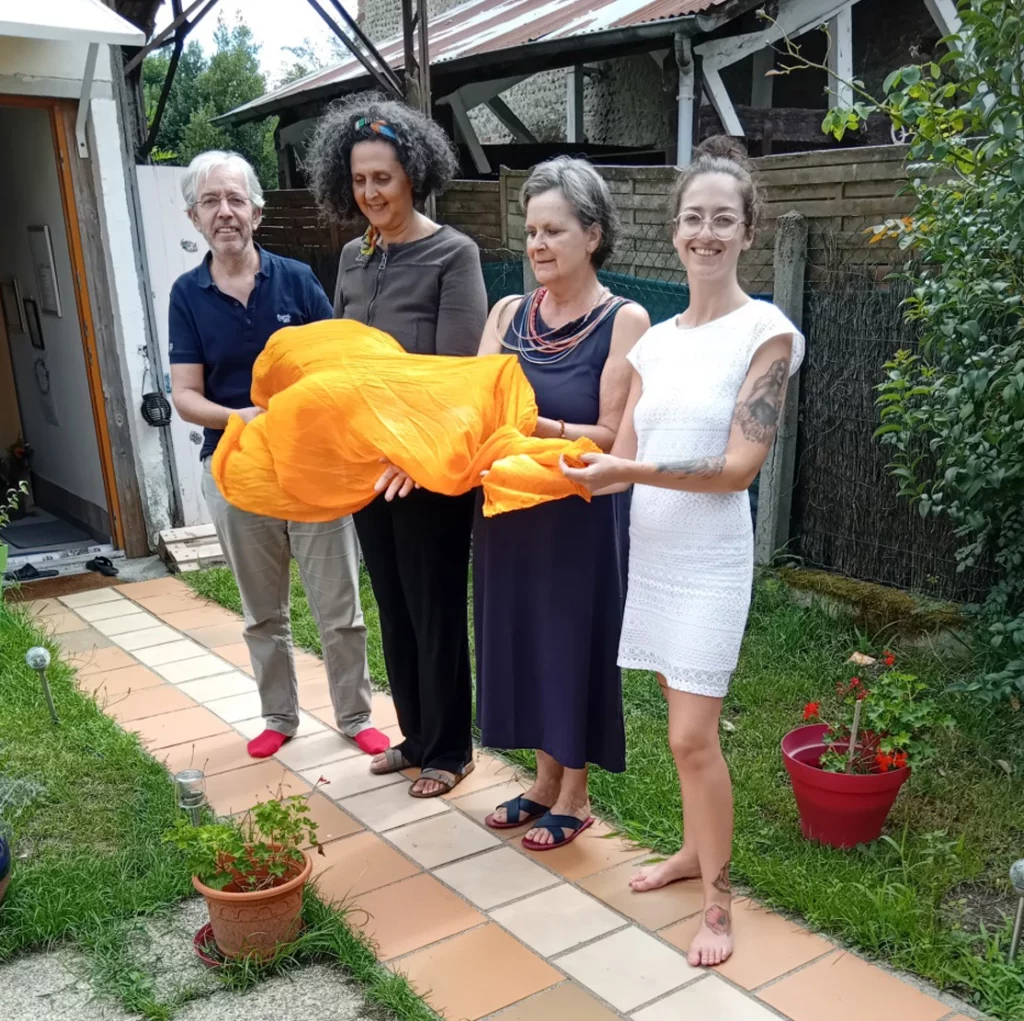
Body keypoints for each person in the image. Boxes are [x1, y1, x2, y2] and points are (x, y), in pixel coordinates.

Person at [562, 137, 804, 967]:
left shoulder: (766, 332)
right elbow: (616, 460)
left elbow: (739, 467)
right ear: (674, 230)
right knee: (678, 727)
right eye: (693, 217)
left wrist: (624, 467)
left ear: (747, 232)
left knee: (693, 737)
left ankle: (719, 902)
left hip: (710, 562)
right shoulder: (653, 344)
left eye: (723, 219)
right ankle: (695, 853)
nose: (706, 232)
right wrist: (529, 464)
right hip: (654, 557)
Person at [169, 150, 385, 761]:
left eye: (235, 199)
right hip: (237, 471)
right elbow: (185, 395)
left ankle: (354, 714)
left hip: (314, 469)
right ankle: (279, 716)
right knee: (262, 613)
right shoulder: (188, 295)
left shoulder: (297, 280)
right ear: (194, 217)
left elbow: (336, 366)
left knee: (338, 608)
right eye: (211, 202)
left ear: (257, 212)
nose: (225, 212)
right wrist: (238, 418)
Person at [304, 97, 488, 798]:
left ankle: (450, 749)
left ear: (413, 173)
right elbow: (344, 357)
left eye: (382, 177)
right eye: (359, 181)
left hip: (428, 468)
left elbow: (453, 375)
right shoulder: (354, 255)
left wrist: (409, 456)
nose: (371, 193)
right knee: (393, 604)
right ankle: (414, 736)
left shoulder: (453, 253)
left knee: (434, 603)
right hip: (366, 468)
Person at [475, 158, 650, 850]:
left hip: (577, 515)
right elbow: (475, 407)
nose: (538, 245)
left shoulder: (624, 320)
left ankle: (575, 795)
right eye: (531, 232)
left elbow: (609, 433)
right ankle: (543, 782)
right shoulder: (507, 313)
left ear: (593, 234)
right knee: (522, 637)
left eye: (554, 230)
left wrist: (534, 425)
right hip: (509, 516)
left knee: (570, 641)